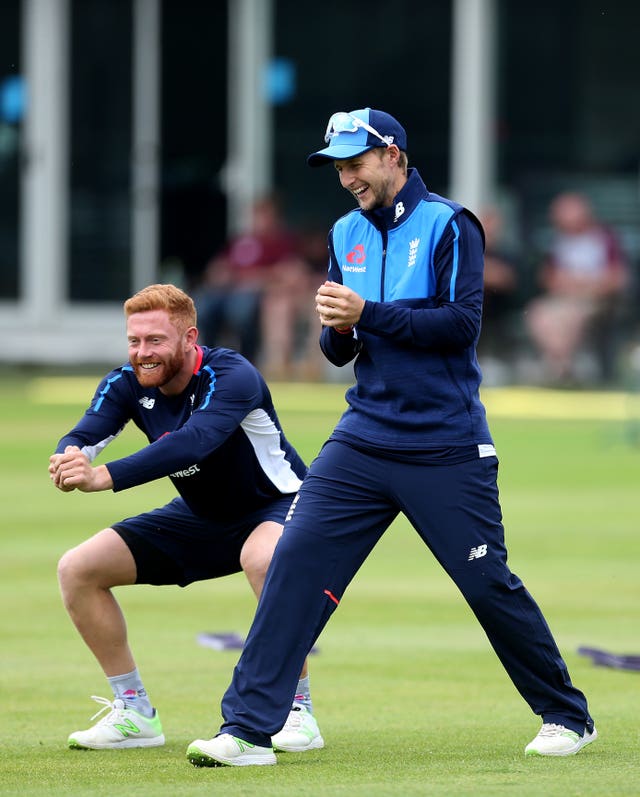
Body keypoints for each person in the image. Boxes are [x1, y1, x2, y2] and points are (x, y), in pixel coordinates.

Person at [185, 108, 596, 767]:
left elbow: (461, 324)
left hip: (444, 441)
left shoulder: (451, 224)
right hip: (363, 438)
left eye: (357, 162)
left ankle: (566, 715)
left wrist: (366, 313)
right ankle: (249, 728)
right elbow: (337, 347)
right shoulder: (344, 231)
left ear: (394, 155)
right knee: (293, 562)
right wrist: (342, 329)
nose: (347, 176)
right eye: (339, 166)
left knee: (487, 582)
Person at [49, 283, 323, 753]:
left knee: (262, 559)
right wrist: (68, 457)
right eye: (134, 341)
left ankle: (297, 712)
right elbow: (86, 433)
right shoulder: (125, 381)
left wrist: (104, 478)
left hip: (278, 505)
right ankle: (134, 712)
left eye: (155, 340)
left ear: (189, 338)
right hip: (200, 516)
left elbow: (191, 443)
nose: (142, 353)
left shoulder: (232, 374)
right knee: (78, 569)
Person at [194, 193, 314, 380]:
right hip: (228, 292)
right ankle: (208, 363)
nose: (260, 220)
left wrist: (256, 278)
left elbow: (289, 273)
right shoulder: (242, 240)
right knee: (204, 307)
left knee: (242, 309)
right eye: (257, 215)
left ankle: (246, 363)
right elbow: (220, 267)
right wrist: (220, 272)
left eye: (265, 215)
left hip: (258, 295)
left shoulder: (283, 243)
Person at [525, 191, 629, 385]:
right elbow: (548, 278)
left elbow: (617, 278)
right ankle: (563, 367)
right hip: (561, 299)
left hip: (596, 301)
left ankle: (560, 369)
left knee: (570, 316)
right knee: (539, 314)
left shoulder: (605, 239)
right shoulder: (558, 242)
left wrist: (582, 285)